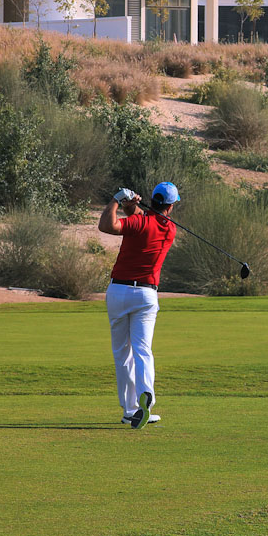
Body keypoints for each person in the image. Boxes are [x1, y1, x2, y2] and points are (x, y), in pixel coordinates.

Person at [98, 182, 180, 428]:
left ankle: (130, 409)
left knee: (122, 353)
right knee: (142, 350)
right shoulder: (170, 230)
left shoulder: (139, 223)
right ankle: (147, 396)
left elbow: (106, 225)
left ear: (153, 201)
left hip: (118, 291)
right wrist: (130, 206)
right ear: (171, 206)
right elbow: (142, 220)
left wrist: (117, 199)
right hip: (146, 295)